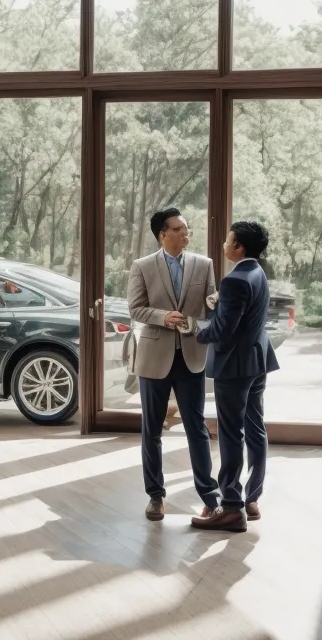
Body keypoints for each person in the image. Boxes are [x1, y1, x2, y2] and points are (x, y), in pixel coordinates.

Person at [126, 208, 219, 522]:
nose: (185, 233)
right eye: (178, 229)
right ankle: (155, 496)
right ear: (162, 234)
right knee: (152, 430)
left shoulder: (204, 265)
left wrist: (199, 321)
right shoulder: (142, 267)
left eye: (187, 228)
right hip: (154, 358)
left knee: (197, 428)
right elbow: (136, 308)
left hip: (192, 357)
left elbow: (210, 308)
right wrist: (162, 317)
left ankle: (209, 496)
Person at [190, 221, 279, 534]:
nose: (224, 244)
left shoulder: (235, 280)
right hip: (257, 361)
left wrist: (194, 328)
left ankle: (231, 507)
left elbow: (223, 332)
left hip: (235, 367)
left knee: (231, 434)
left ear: (239, 246)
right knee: (255, 429)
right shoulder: (257, 272)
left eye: (228, 240)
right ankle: (252, 498)